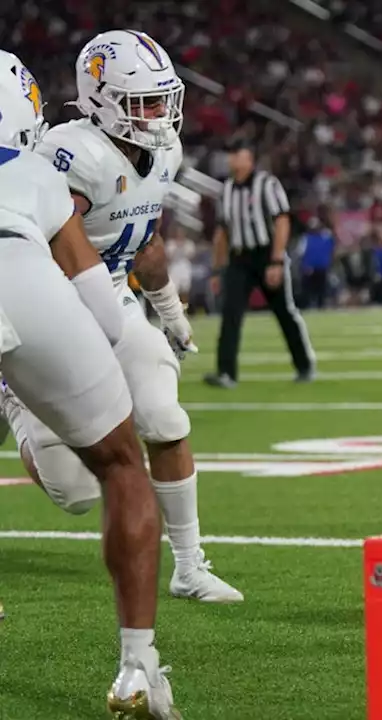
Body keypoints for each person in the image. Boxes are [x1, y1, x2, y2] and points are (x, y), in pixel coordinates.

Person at [4, 29, 243, 603]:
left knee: (165, 419)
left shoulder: (166, 152)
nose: (160, 113)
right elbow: (35, 241)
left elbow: (146, 240)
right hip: (52, 308)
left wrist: (170, 311)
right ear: (101, 98)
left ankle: (189, 565)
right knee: (78, 492)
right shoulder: (68, 155)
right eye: (145, 102)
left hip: (112, 295)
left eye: (164, 99)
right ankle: (15, 400)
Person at [0, 48, 181, 718]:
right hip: (21, 269)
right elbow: (101, 309)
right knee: (121, 465)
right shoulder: (40, 177)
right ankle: (137, 665)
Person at [205, 139, 315, 387]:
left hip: (265, 255)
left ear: (249, 159)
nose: (232, 160)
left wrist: (276, 260)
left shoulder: (267, 184)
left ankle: (304, 365)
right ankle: (226, 372)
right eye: (230, 155)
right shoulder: (227, 189)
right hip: (239, 257)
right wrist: (216, 268)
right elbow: (222, 232)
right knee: (230, 313)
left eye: (236, 155)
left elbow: (282, 221)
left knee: (284, 312)